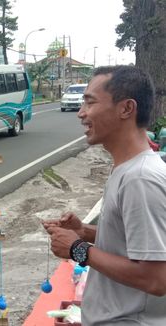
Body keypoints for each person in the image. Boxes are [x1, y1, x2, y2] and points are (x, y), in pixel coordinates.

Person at [43, 66, 166, 325]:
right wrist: (85, 232)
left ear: (126, 109)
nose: (81, 113)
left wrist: (78, 249)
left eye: (90, 102)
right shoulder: (128, 170)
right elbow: (138, 245)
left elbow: (156, 278)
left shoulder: (140, 179)